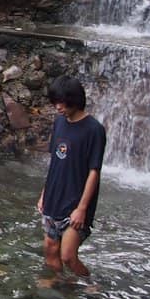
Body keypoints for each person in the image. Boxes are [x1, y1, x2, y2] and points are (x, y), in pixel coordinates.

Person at [37, 75, 106, 279]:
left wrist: (82, 209)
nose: (58, 107)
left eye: (62, 102)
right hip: (53, 199)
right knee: (50, 251)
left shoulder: (94, 130)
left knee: (68, 256)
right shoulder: (59, 123)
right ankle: (61, 288)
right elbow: (55, 163)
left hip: (75, 204)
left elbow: (94, 171)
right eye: (55, 102)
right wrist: (44, 194)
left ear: (75, 100)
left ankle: (89, 283)